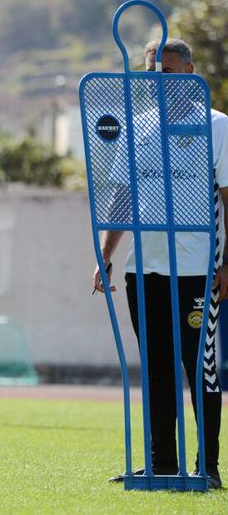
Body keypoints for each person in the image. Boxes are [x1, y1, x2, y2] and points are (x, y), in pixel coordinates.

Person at [93, 38, 225, 489]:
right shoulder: (137, 127)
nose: (159, 81)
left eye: (167, 72)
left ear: (188, 71)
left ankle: (207, 467)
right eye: (151, 73)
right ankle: (161, 465)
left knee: (198, 368)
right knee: (156, 369)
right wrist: (106, 255)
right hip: (143, 271)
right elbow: (122, 197)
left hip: (196, 269)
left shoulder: (217, 125)